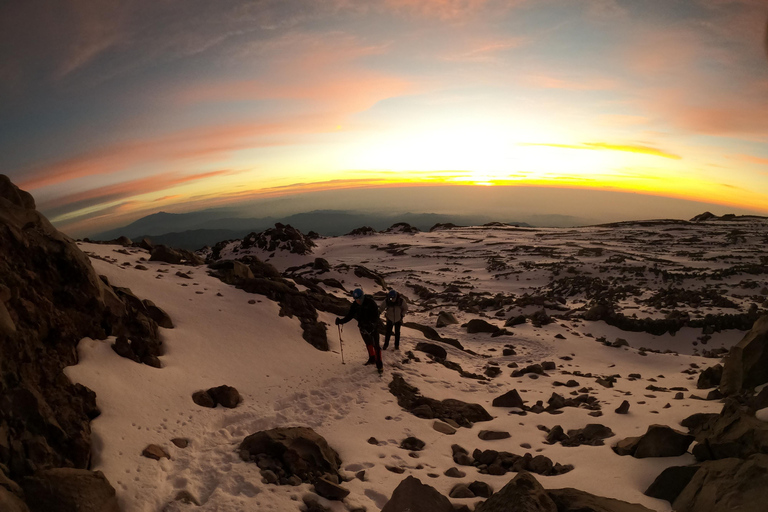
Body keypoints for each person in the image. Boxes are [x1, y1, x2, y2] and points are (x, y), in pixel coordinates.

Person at [336, 288, 383, 371]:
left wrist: (373, 324)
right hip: (363, 327)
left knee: (376, 345)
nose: (358, 301)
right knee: (368, 343)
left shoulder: (371, 303)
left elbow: (376, 316)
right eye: (356, 299)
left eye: (359, 299)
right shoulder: (355, 305)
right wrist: (341, 321)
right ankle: (372, 359)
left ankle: (379, 365)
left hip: (373, 327)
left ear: (363, 297)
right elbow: (350, 315)